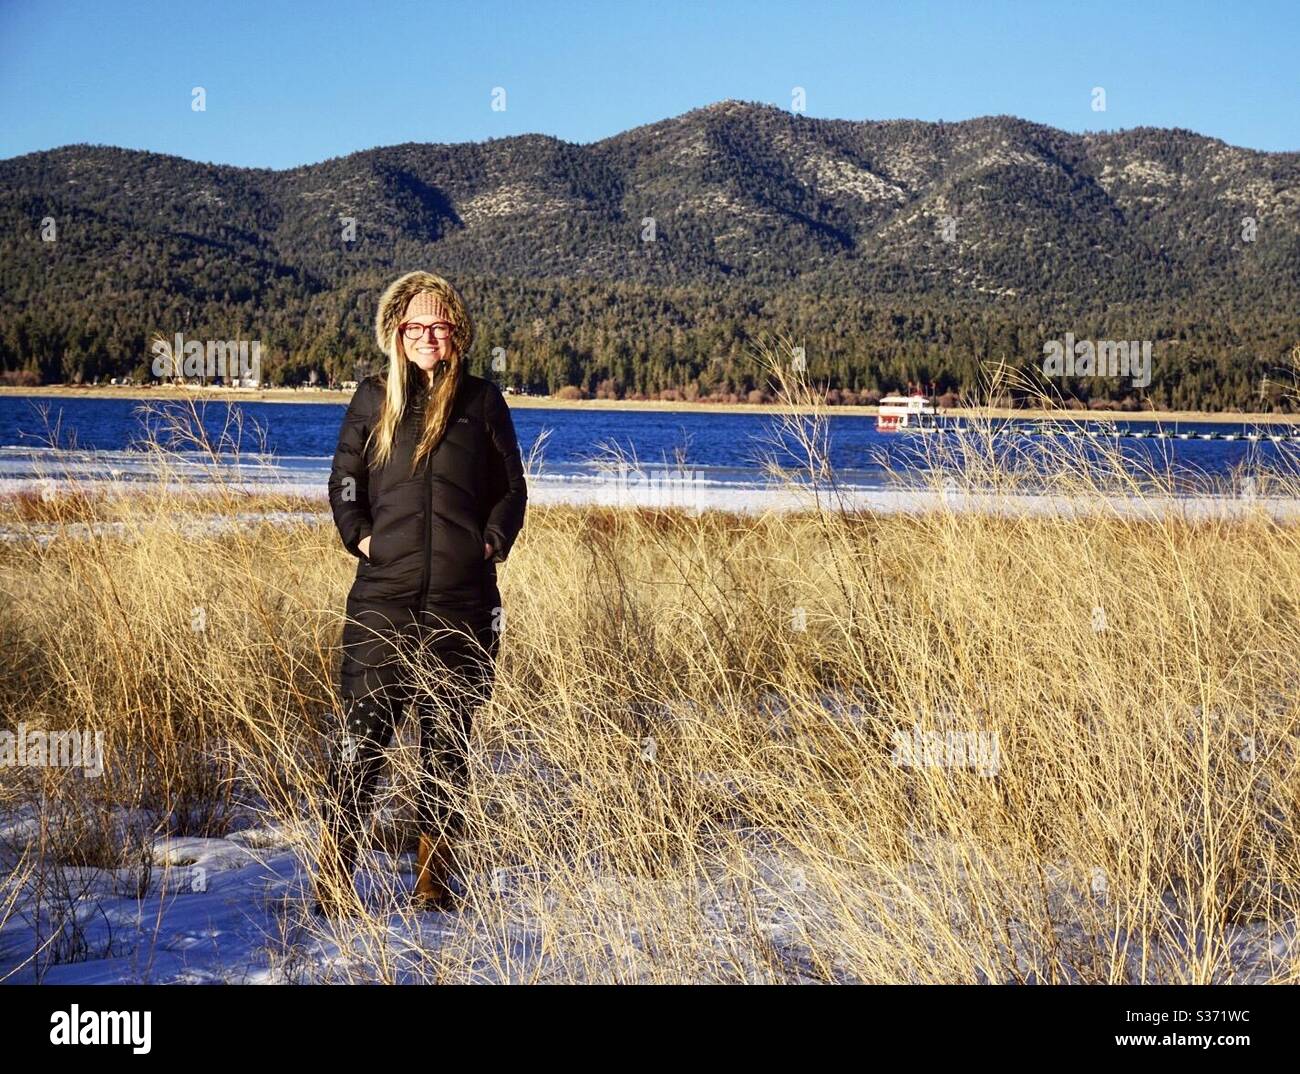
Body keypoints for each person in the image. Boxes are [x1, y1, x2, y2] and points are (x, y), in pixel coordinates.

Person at [313, 270, 527, 917]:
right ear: (396, 333)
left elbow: (512, 490)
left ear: (455, 332)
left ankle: (432, 880)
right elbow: (344, 481)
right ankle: (333, 875)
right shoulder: (374, 399)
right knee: (362, 743)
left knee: (446, 746)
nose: (425, 335)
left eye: (437, 324)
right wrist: (364, 539)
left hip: (463, 604)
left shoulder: (483, 402)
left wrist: (488, 544)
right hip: (384, 598)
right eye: (414, 325)